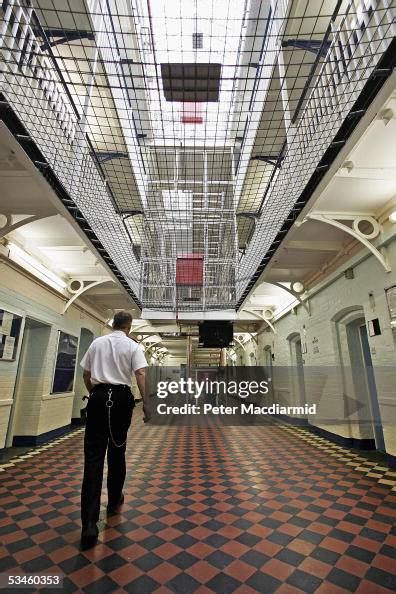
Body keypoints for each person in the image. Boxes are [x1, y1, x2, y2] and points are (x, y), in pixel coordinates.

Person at [79, 311, 150, 549]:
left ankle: (89, 525)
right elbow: (140, 374)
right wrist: (147, 405)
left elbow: (86, 374)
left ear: (112, 324)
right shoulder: (132, 346)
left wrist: (94, 394)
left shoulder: (97, 342)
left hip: (98, 398)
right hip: (120, 399)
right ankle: (114, 500)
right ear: (128, 327)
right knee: (117, 450)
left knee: (93, 458)